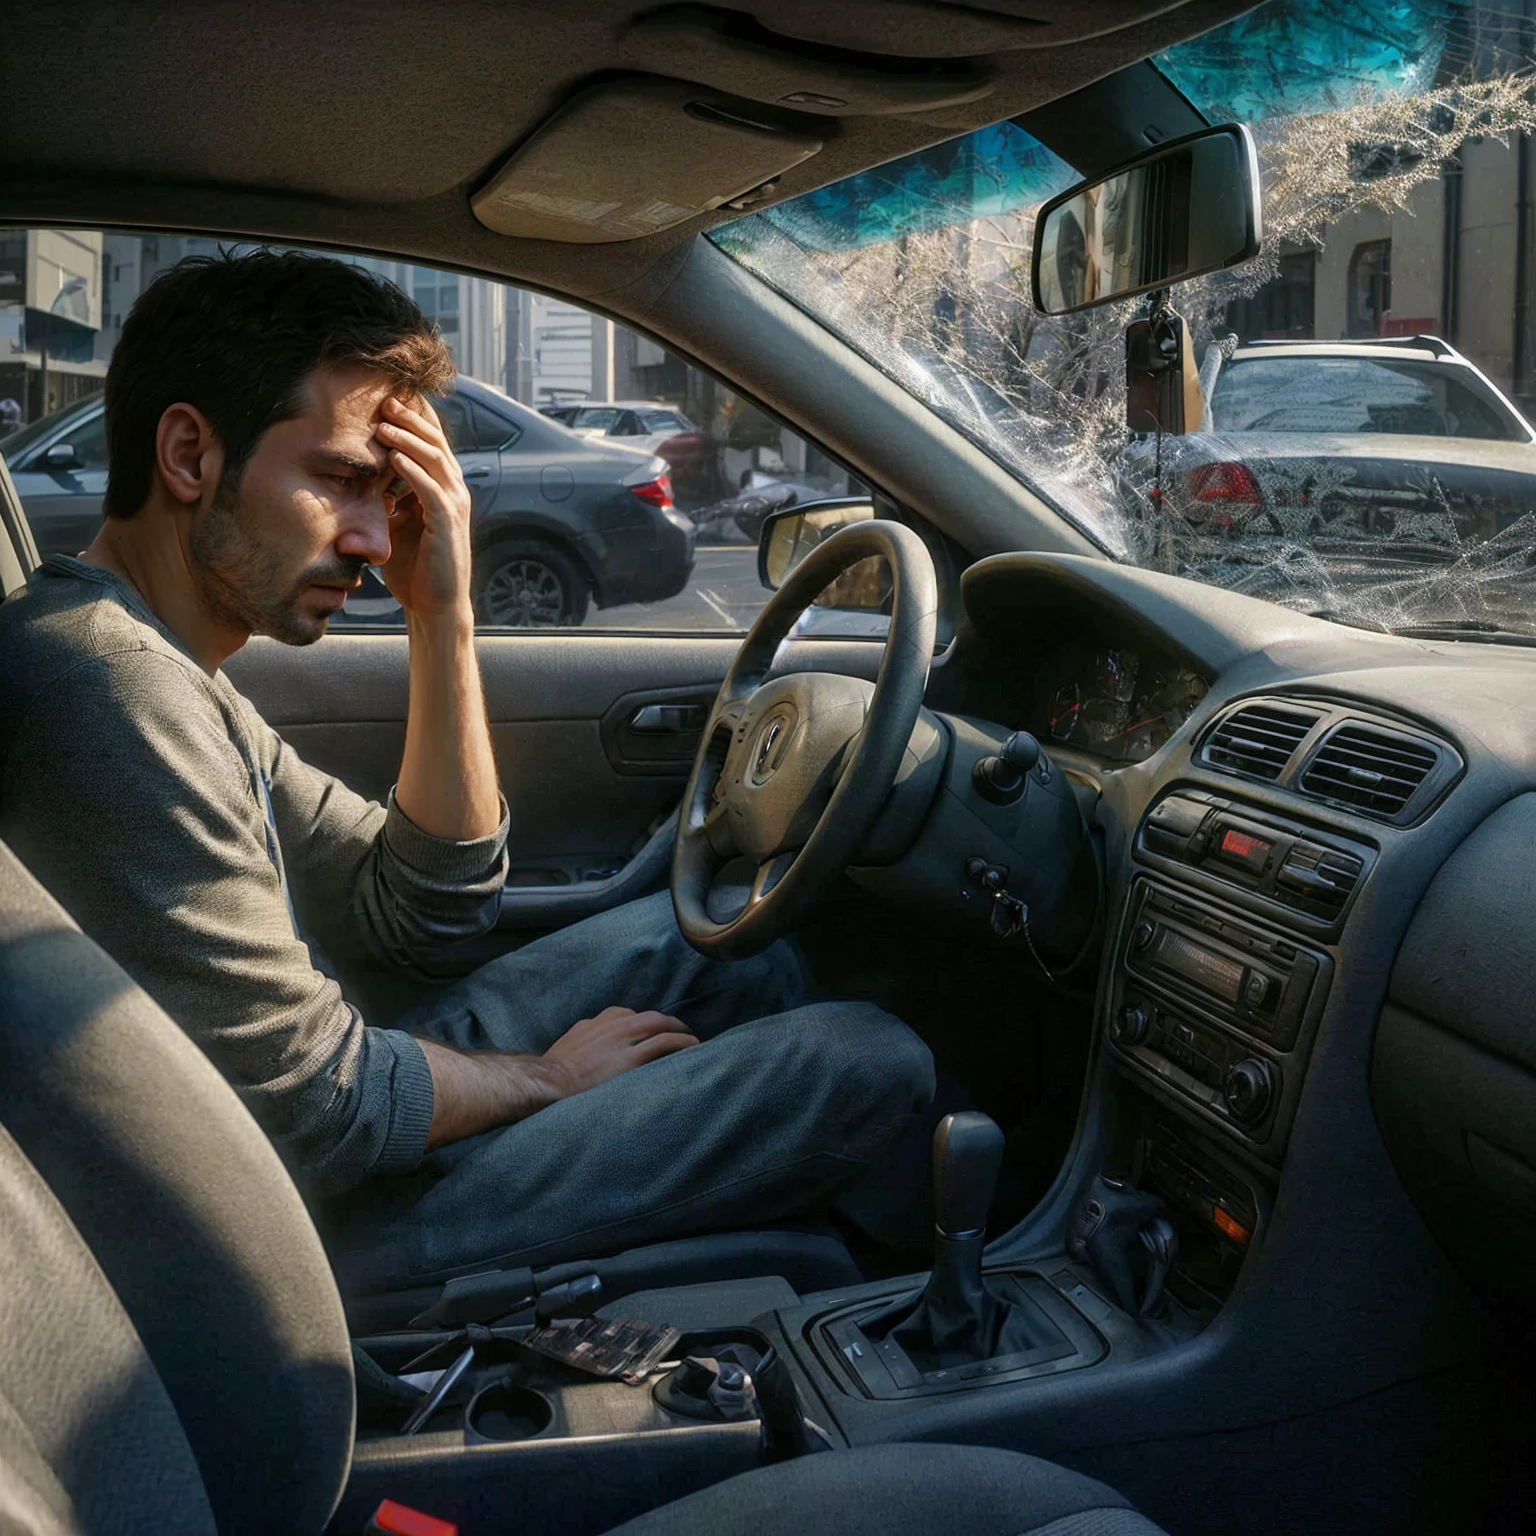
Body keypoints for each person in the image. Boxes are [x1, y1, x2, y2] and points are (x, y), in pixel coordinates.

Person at [0, 251, 934, 1294]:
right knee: (865, 1063)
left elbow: (420, 909)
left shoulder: (163, 667)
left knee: (729, 952)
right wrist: (545, 1080)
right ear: (188, 454)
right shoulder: (106, 684)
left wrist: (439, 610)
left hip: (297, 1132)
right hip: (278, 1245)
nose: (368, 537)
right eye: (344, 480)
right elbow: (324, 1107)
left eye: (387, 495)